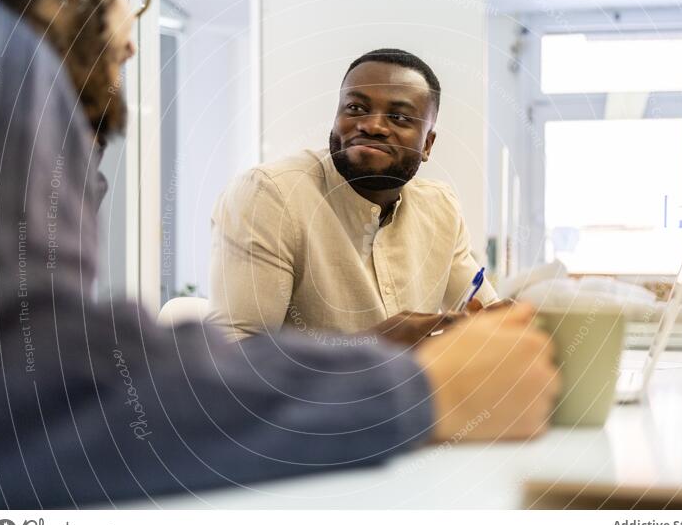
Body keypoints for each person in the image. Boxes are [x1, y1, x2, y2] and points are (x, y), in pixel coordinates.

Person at [0, 0, 558, 510]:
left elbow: (49, 367)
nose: (131, 38)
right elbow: (37, 393)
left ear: (429, 142)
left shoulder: (30, 98)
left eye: (400, 117)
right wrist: (414, 388)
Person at [209, 48, 501, 345]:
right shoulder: (268, 195)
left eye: (399, 117)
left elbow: (482, 312)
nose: (372, 126)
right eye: (356, 109)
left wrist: (510, 323)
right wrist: (375, 345)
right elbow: (235, 355)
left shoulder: (440, 207)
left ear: (427, 144)